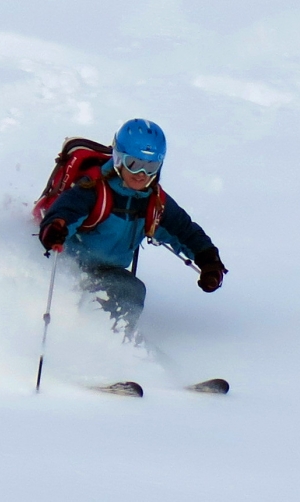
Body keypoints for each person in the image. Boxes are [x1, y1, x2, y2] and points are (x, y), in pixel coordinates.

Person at [38, 119, 227, 342]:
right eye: (134, 164)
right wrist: (55, 229)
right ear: (118, 159)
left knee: (131, 290)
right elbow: (65, 211)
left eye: (151, 167)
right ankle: (94, 350)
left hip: (107, 271)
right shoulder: (93, 189)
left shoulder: (154, 201)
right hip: (68, 267)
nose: (141, 174)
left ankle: (115, 349)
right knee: (121, 292)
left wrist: (208, 260)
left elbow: (184, 231)